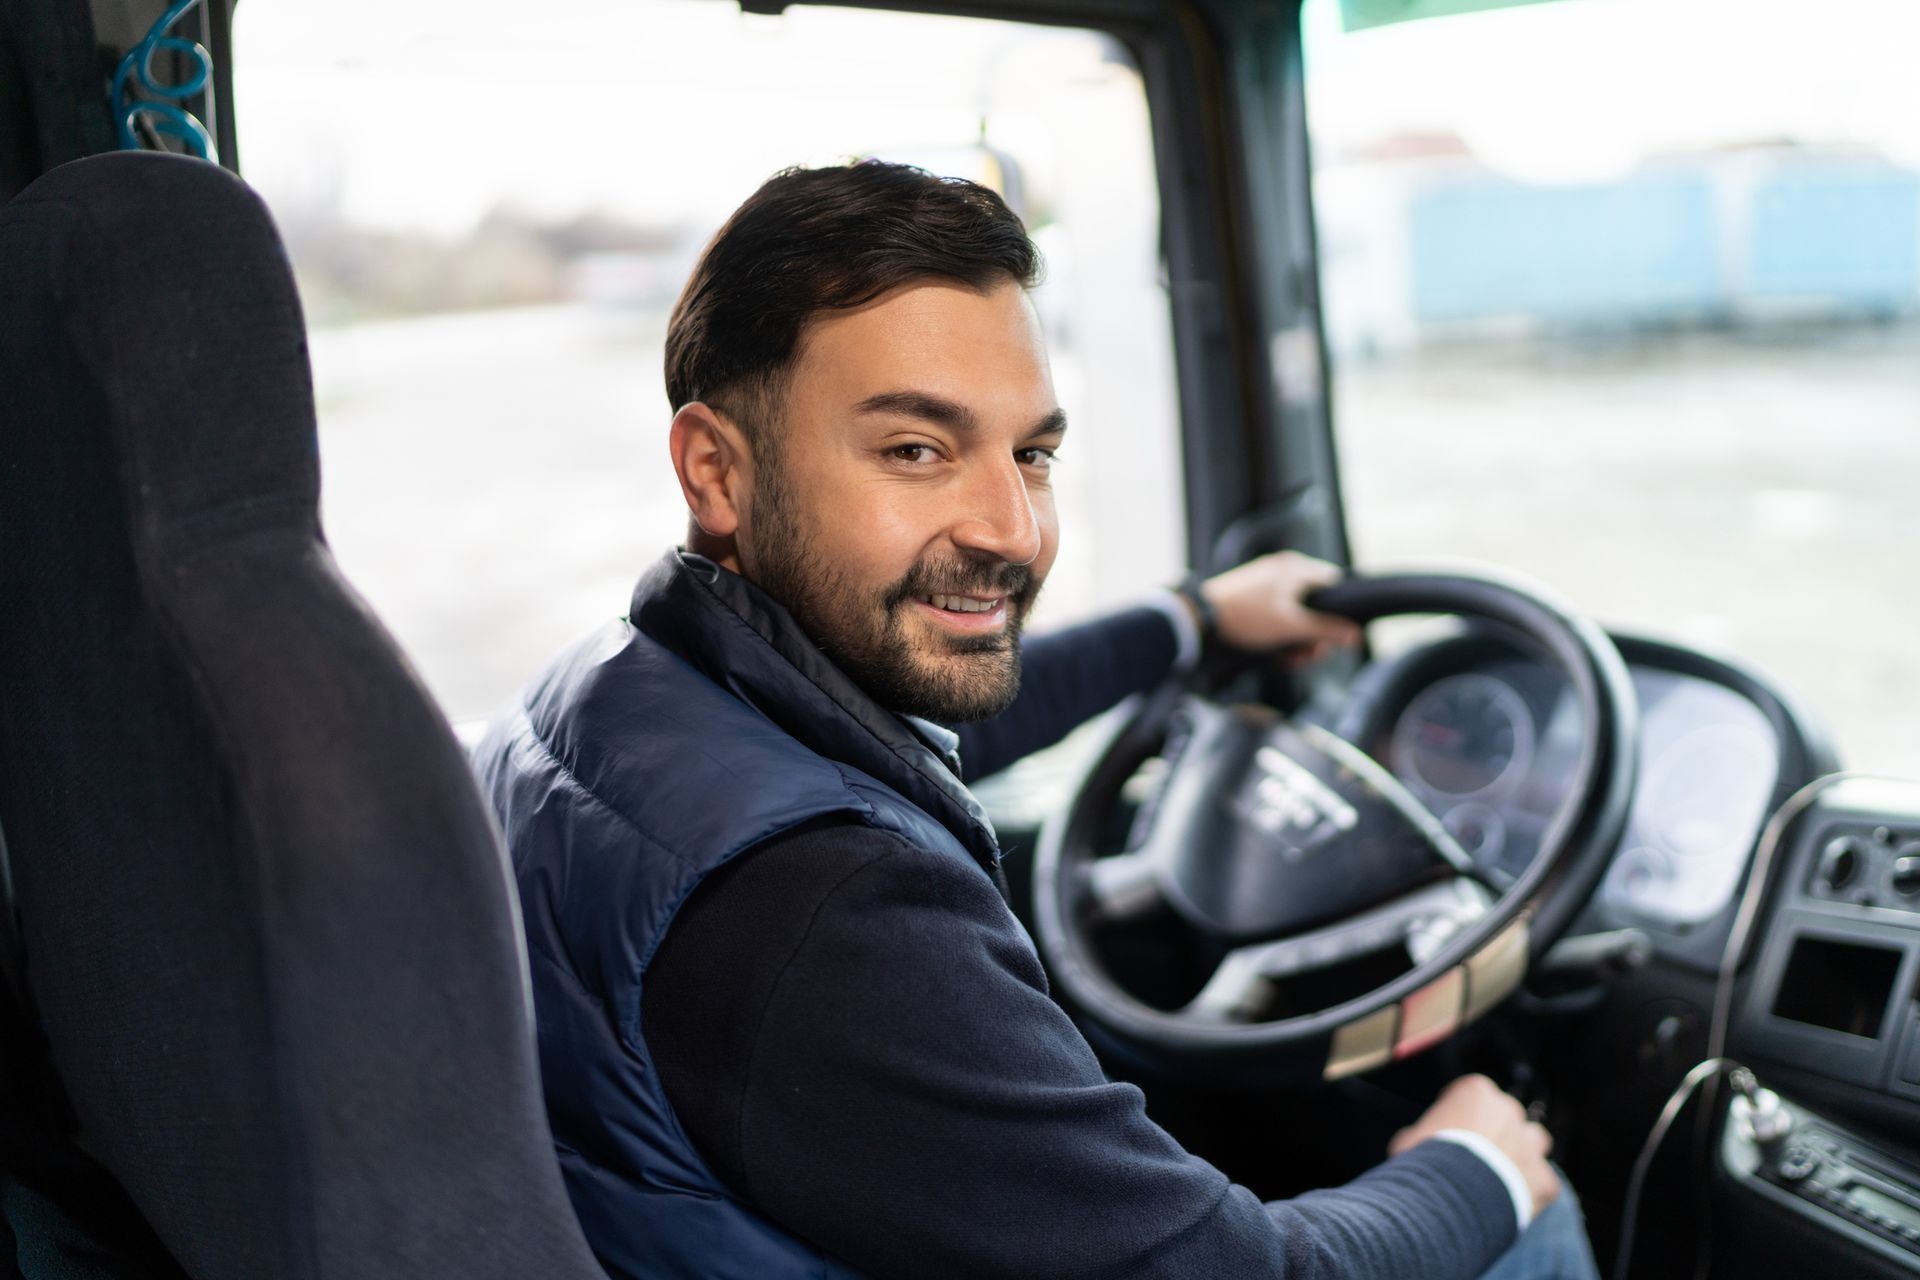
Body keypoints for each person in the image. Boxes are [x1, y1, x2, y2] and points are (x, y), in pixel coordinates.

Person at [474, 160, 1600, 1280]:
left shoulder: (607, 700)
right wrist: (1478, 1166)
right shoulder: (833, 911)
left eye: (1032, 455)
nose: (1013, 530)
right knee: (1527, 1221)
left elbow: (921, 732)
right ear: (716, 471)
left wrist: (1193, 620)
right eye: (916, 450)